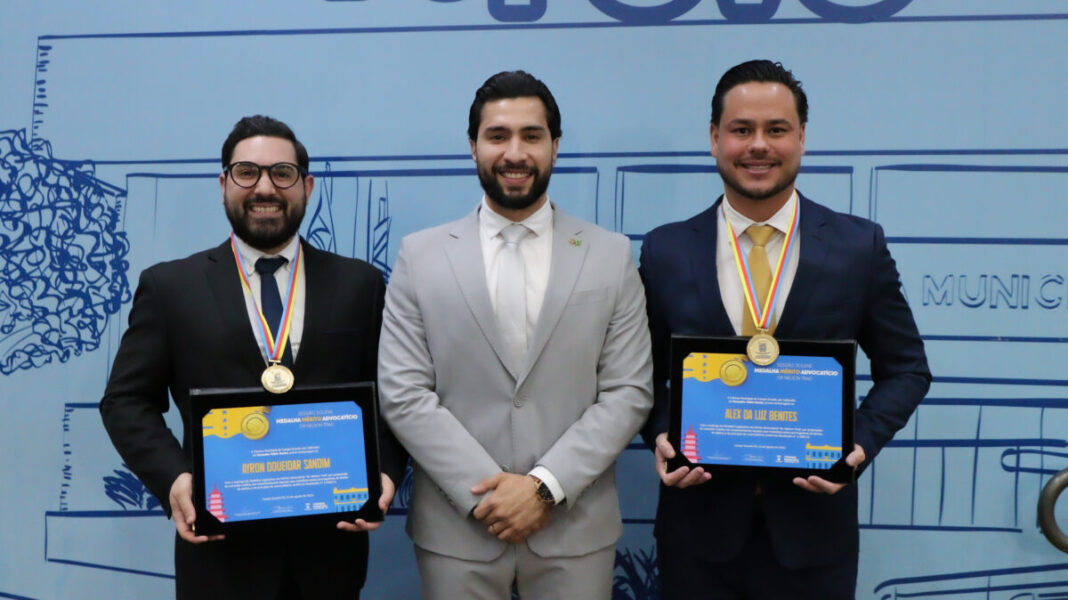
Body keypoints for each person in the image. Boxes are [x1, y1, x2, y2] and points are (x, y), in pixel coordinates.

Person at [639, 60, 931, 599]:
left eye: (776, 129)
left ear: (801, 139)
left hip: (814, 537)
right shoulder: (666, 250)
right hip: (697, 534)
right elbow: (640, 375)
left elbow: (908, 369)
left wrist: (858, 445)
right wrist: (660, 433)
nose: (758, 145)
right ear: (714, 138)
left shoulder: (857, 247)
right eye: (741, 129)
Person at [99, 115, 406, 599]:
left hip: (330, 555)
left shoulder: (360, 284)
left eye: (282, 173)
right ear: (223, 184)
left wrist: (384, 470)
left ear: (306, 187)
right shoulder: (170, 287)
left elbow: (394, 396)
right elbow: (125, 401)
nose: (265, 187)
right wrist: (175, 479)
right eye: (247, 173)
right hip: (220, 556)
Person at [377, 70, 653, 599]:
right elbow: (404, 393)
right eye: (497, 136)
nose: (515, 153)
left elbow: (628, 391)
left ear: (555, 145)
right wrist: (491, 496)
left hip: (575, 530)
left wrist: (544, 488)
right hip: (459, 530)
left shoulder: (609, 254)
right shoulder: (420, 256)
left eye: (531, 135)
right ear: (473, 146)